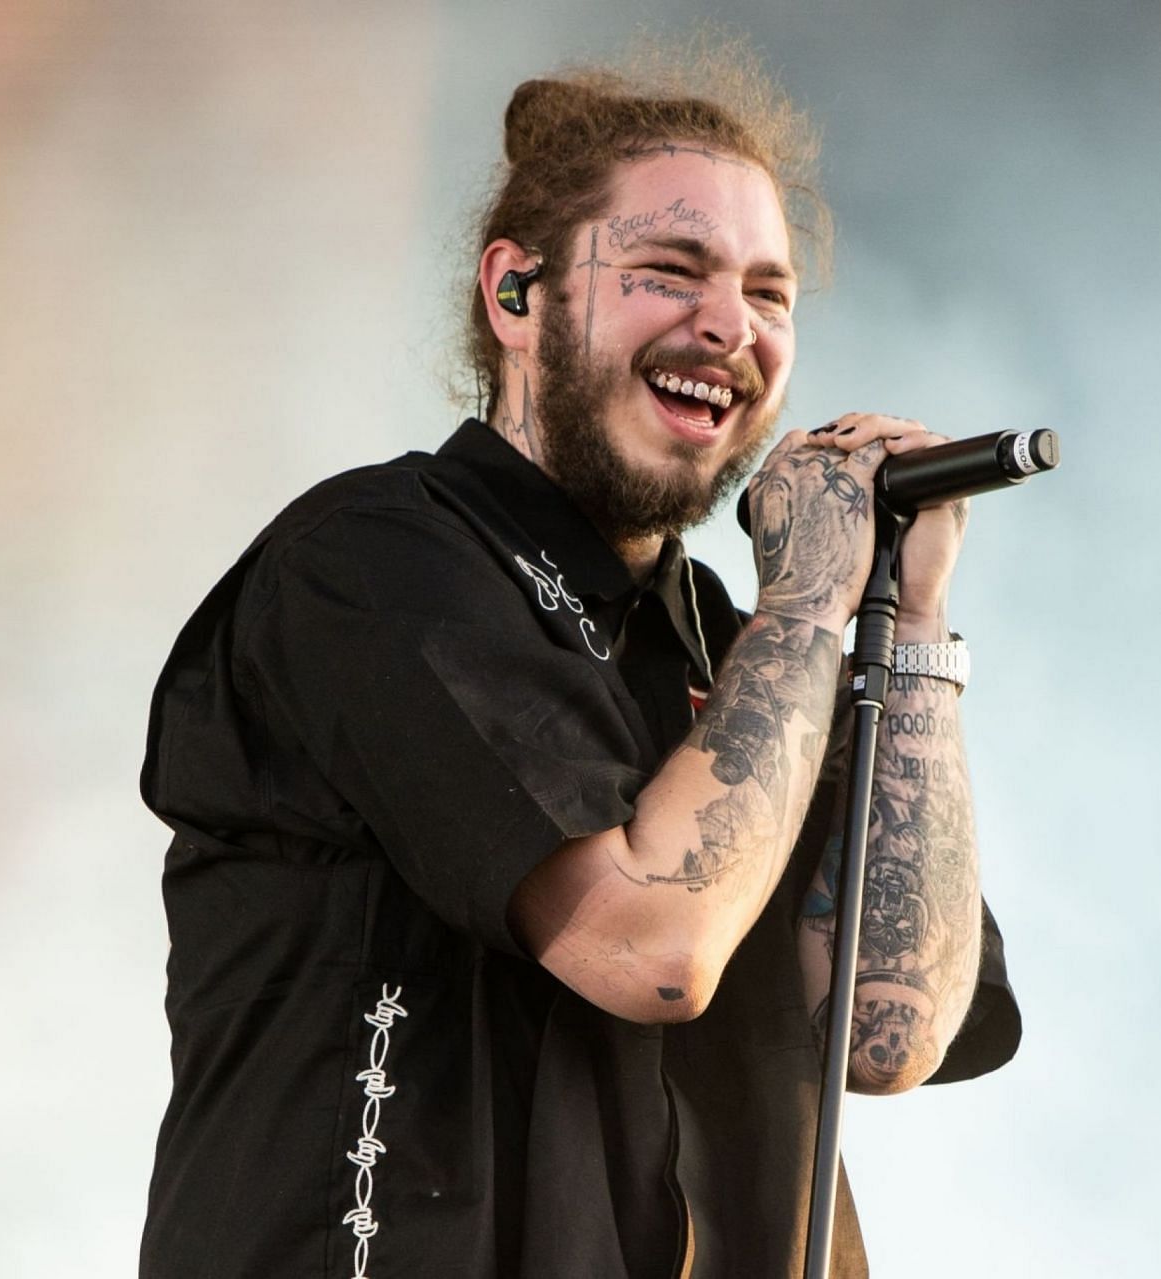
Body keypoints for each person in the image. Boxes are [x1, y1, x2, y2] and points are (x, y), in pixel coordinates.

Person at [139, 49, 1020, 1279]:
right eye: (671, 270)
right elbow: (652, 948)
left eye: (772, 293)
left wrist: (910, 631)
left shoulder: (742, 634)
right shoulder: (375, 566)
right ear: (516, 292)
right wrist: (815, 600)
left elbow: (890, 1027)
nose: (730, 324)